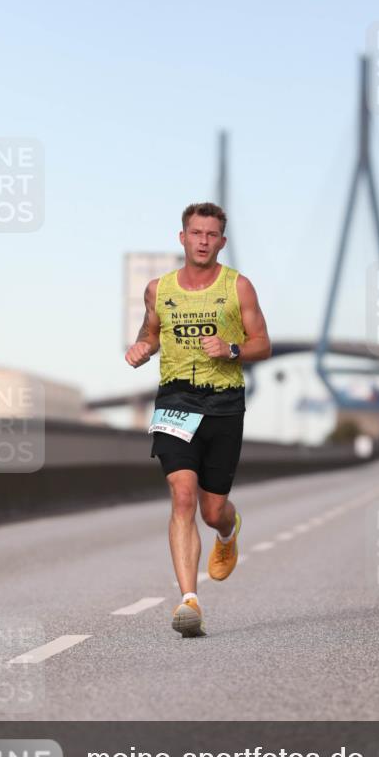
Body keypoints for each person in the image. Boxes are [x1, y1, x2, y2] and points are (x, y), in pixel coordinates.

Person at [124, 202, 272, 637]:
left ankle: (228, 531)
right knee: (183, 495)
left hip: (224, 403)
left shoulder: (238, 287)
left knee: (212, 510)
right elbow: (151, 332)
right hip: (176, 398)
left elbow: (263, 343)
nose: (203, 241)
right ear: (182, 238)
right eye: (196, 233)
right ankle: (189, 601)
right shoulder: (159, 289)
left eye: (211, 235)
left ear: (221, 242)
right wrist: (142, 348)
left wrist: (231, 349)